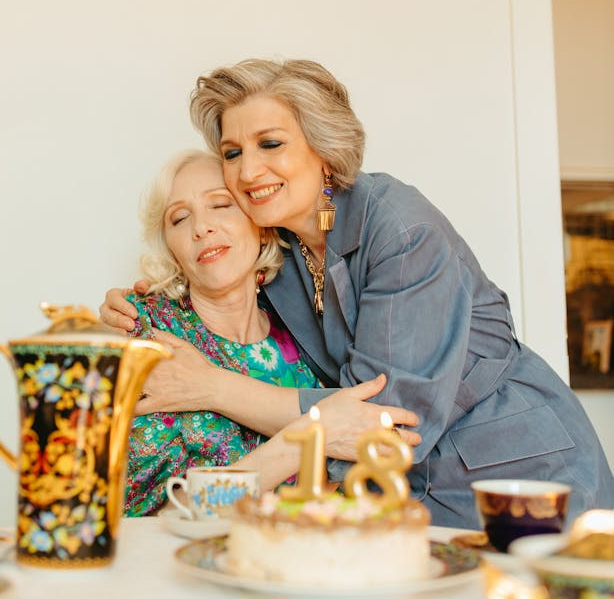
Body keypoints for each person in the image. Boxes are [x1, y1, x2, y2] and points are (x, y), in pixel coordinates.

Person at [105, 59, 614, 528]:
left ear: (323, 150)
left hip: (524, 476)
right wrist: (145, 303)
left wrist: (213, 388)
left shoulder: (401, 232)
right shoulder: (281, 248)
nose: (247, 171)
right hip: (399, 502)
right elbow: (168, 506)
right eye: (233, 153)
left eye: (271, 144)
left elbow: (379, 422)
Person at [123, 147, 420, 515]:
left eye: (221, 205)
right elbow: (165, 515)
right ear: (171, 249)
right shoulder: (154, 338)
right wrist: (309, 439)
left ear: (261, 227)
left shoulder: (306, 333)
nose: (201, 228)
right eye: (180, 218)